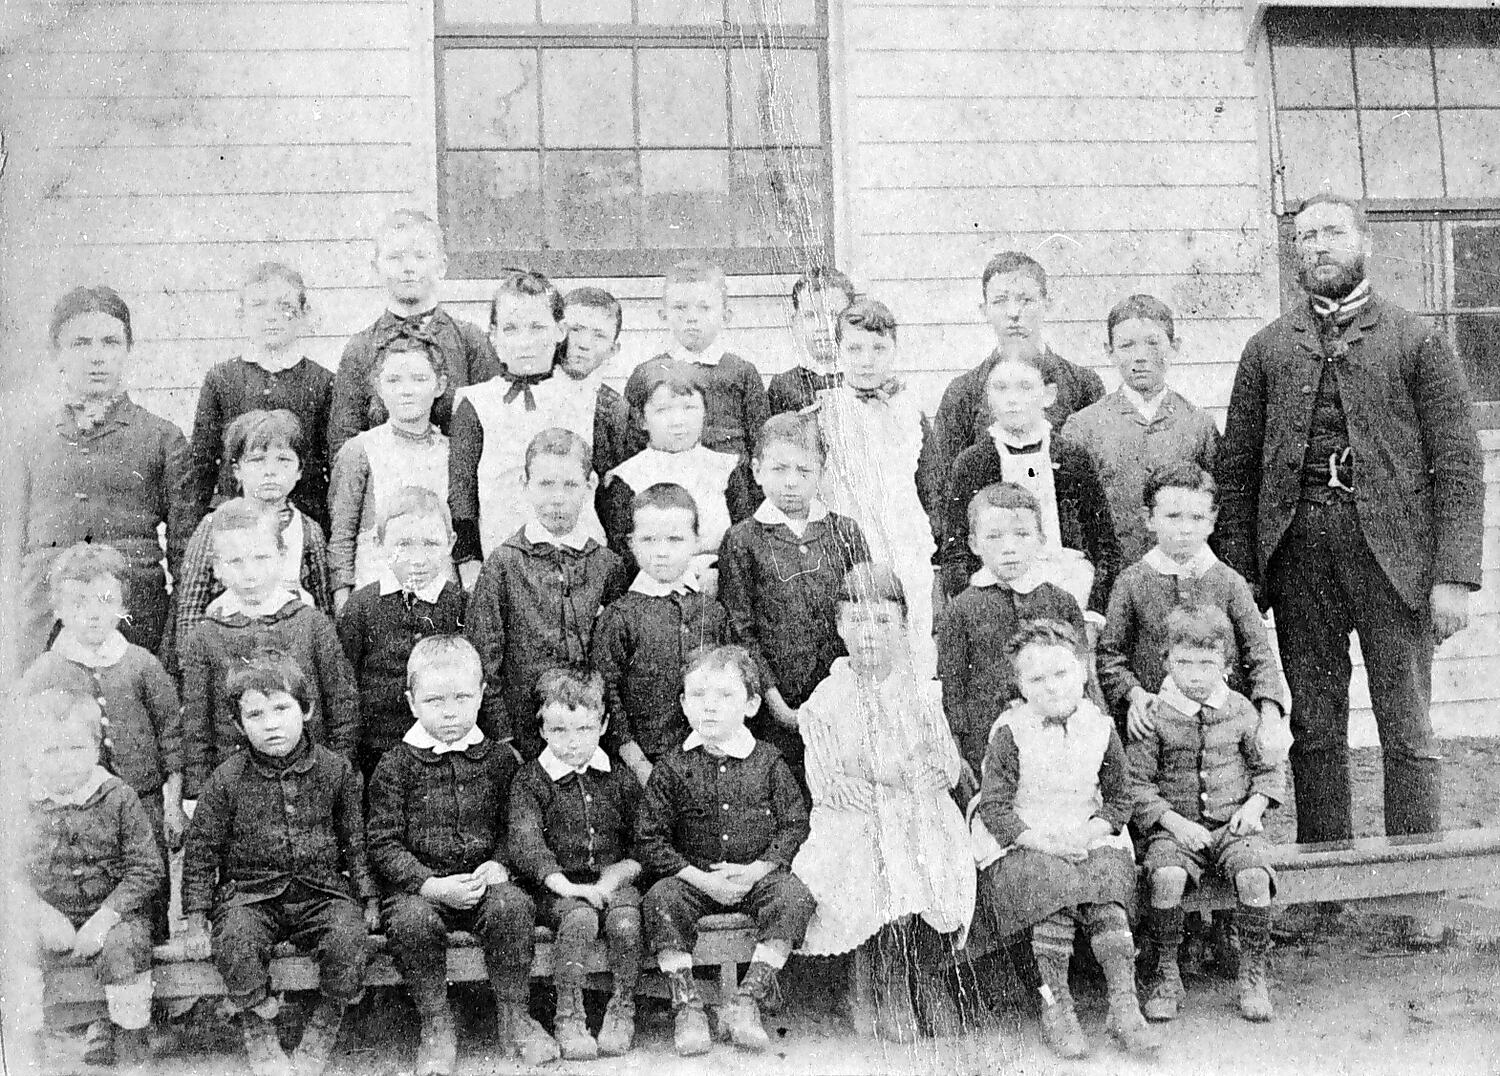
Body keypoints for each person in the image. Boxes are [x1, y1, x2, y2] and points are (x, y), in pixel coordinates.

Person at [1215, 193, 1484, 941]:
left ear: (1364, 241)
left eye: (1333, 232)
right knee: (1314, 727)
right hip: (1300, 556)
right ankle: (1321, 887)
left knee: (1408, 728)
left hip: (1395, 559)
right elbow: (1237, 472)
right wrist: (1241, 582)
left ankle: (1418, 893)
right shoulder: (1268, 348)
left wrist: (1453, 575)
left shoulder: (1416, 340)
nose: (1318, 247)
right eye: (1305, 238)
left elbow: (1459, 466)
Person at [793, 565, 973, 1041]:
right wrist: (879, 781)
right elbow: (831, 780)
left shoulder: (918, 691)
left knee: (931, 851)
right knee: (880, 854)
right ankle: (885, 981)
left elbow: (944, 758)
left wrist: (938, 768)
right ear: (839, 626)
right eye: (857, 621)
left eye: (882, 623)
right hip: (854, 817)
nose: (869, 635)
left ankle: (928, 976)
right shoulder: (828, 699)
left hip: (917, 809)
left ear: (901, 626)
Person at [180, 650, 378, 1076]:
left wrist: (368, 898)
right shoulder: (226, 779)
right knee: (233, 938)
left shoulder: (335, 770)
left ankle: (327, 1021)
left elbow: (354, 842)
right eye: (255, 714)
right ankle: (257, 1026)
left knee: (348, 935)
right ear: (238, 724)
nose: (271, 724)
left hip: (321, 893)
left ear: (306, 710)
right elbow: (201, 851)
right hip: (252, 896)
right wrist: (196, 917)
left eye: (282, 708)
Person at [367, 636, 558, 1074]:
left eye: (462, 697)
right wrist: (429, 884)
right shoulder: (395, 766)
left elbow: (518, 826)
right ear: (412, 703)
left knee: (512, 906)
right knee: (412, 922)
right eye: (435, 700)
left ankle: (514, 1016)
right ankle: (436, 1023)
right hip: (420, 887)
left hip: (483, 882)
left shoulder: (500, 760)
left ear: (482, 694)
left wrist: (501, 863)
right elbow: (383, 843)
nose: (450, 711)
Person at [972, 619, 1158, 1060]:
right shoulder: (1011, 732)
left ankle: (1124, 1006)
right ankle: (1056, 1006)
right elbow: (995, 808)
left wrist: (1091, 831)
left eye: (1061, 674)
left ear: (1081, 673)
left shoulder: (1099, 726)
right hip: (1026, 835)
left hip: (1084, 827)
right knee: (1048, 892)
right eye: (1037, 678)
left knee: (1107, 889)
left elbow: (1118, 799)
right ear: (1020, 685)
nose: (1052, 687)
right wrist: (1046, 842)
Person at [635, 645, 815, 1056]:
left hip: (755, 877)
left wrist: (757, 870)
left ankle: (747, 1001)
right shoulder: (671, 767)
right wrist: (700, 879)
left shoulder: (768, 762)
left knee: (794, 896)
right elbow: (650, 838)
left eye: (724, 696)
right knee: (661, 899)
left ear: (752, 705)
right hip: (695, 880)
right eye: (697, 696)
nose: (709, 708)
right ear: (682, 703)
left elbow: (795, 823)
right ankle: (688, 1007)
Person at [3, 285, 198, 663]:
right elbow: (9, 547)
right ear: (57, 354)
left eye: (110, 342)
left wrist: (175, 638)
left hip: (134, 620)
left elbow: (184, 555)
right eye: (80, 343)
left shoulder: (162, 437)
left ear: (128, 350)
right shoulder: (28, 441)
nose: (96, 357)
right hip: (45, 619)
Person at [1128, 606, 1285, 1024]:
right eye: (1183, 663)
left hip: (1234, 825)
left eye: (1207, 664)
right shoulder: (1154, 716)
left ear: (1227, 666)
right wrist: (1175, 823)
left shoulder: (1241, 710)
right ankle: (1167, 971)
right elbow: (1136, 785)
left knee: (1254, 876)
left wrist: (1254, 808)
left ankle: (1252, 974)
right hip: (1174, 830)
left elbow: (1269, 769)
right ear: (1166, 661)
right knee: (1166, 877)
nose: (1195, 675)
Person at [21, 543, 183, 941]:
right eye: (78, 603)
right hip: (72, 805)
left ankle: (153, 990)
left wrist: (173, 804)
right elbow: (20, 740)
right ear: (58, 609)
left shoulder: (142, 664)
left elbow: (172, 739)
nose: (93, 613)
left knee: (145, 902)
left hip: (141, 804)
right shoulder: (45, 670)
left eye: (105, 600)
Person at [718, 413, 871, 781]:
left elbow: (865, 610)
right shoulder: (743, 540)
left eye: (804, 471)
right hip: (777, 705)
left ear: (822, 470)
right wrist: (777, 703)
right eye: (779, 468)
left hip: (844, 698)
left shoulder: (844, 531)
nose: (791, 482)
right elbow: (742, 629)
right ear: (756, 470)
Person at [179, 499, 358, 799]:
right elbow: (197, 726)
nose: (250, 573)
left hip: (311, 786)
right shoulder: (205, 636)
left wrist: (341, 777)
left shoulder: (312, 624)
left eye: (261, 557)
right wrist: (198, 794)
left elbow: (343, 707)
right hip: (236, 792)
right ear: (217, 568)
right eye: (235, 562)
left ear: (282, 556)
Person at [1097, 463, 1289, 744]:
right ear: (1149, 518)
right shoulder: (1131, 582)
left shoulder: (1230, 582)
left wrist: (1270, 715)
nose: (1185, 529)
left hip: (1223, 728)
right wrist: (1134, 695)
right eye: (1173, 517)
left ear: (1212, 521)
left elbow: (1259, 654)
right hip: (1157, 726)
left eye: (1196, 518)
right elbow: (1111, 655)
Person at [466, 429, 628, 759]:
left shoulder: (608, 566)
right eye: (545, 484)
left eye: (570, 485)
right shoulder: (504, 563)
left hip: (590, 733)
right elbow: (485, 657)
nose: (557, 498)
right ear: (525, 483)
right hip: (524, 737)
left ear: (590, 485)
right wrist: (503, 738)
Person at [508, 667, 644, 1061]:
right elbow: (526, 841)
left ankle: (622, 1007)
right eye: (560, 730)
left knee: (625, 920)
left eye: (584, 729)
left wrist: (614, 876)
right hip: (559, 889)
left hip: (612, 882)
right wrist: (568, 887)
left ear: (602, 724)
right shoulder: (531, 781)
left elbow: (644, 842)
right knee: (580, 919)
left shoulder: (618, 779)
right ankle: (569, 1014)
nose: (572, 743)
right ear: (543, 729)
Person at [23, 690, 163, 1072]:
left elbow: (146, 868)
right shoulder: (22, 803)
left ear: (96, 749)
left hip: (116, 913)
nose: (65, 762)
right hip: (51, 915)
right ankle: (29, 1048)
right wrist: (39, 913)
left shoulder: (119, 797)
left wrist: (104, 919)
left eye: (75, 748)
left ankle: (131, 1041)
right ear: (29, 752)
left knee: (124, 949)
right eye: (50, 751)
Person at [938, 338, 1120, 622]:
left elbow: (1104, 544)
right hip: (996, 594)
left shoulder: (1072, 458)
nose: (1012, 399)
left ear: (1048, 395)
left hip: (1069, 589)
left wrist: (1095, 610)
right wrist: (974, 606)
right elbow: (956, 551)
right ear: (987, 395)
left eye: (1025, 387)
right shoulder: (972, 463)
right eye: (1001, 388)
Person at [813, 299, 942, 669]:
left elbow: (923, 482)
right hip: (853, 535)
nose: (866, 360)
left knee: (911, 629)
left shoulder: (908, 410)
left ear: (894, 351)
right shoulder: (827, 412)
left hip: (903, 535)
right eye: (854, 349)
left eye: (878, 349)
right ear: (838, 352)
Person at [450, 270, 606, 573]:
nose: (525, 342)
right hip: (505, 560)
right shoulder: (476, 403)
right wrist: (470, 565)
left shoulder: (587, 398)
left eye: (537, 327)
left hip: (579, 559)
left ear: (560, 331)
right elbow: (462, 493)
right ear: (493, 336)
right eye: (511, 329)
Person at [928, 251, 1105, 506]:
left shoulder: (1083, 385)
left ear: (1048, 304)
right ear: (984, 310)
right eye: (1000, 301)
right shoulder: (963, 392)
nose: (1014, 313)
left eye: (1026, 300)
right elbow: (945, 487)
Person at [936, 483, 1087, 779]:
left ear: (1041, 539)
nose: (1009, 548)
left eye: (1021, 535)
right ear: (974, 543)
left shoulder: (1061, 602)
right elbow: (952, 687)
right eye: (994, 537)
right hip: (988, 743)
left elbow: (1083, 675)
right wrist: (957, 748)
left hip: (1058, 739)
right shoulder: (961, 609)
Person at [327, 208, 499, 459]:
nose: (408, 268)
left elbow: (492, 429)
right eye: (395, 258)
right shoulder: (361, 348)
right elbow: (343, 443)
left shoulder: (469, 340)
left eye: (420, 256)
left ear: (441, 266)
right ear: (377, 267)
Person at [1061, 294, 1221, 565]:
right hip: (1111, 577)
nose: (1141, 357)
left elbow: (1217, 509)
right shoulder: (1084, 427)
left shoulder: (1199, 425)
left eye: (1153, 343)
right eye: (1126, 345)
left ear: (1174, 347)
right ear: (1109, 351)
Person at [592, 483, 730, 785]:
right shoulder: (621, 615)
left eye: (675, 539)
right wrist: (638, 763)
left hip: (708, 760)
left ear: (696, 541)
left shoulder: (711, 610)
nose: (662, 552)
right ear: (631, 543)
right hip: (644, 766)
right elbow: (608, 693)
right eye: (649, 540)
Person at [172, 410, 334, 657]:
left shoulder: (308, 530)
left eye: (283, 460)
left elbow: (323, 609)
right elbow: (191, 610)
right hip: (229, 651)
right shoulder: (214, 525)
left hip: (292, 653)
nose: (270, 471)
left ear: (299, 470)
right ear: (237, 470)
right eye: (257, 460)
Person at [190, 262, 333, 532]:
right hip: (235, 523)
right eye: (258, 306)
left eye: (284, 306)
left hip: (301, 521)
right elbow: (201, 466)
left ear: (304, 313)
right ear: (241, 314)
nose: (271, 317)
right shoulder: (221, 379)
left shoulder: (323, 382)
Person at [336, 487, 467, 780]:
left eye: (431, 544)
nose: (417, 559)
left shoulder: (460, 604)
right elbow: (344, 687)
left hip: (444, 749)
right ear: (379, 543)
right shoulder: (361, 607)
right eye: (403, 544)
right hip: (378, 751)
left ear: (451, 543)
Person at [600, 363, 754, 585]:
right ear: (642, 419)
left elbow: (743, 541)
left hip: (719, 581)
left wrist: (719, 572)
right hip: (652, 586)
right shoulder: (626, 477)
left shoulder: (726, 468)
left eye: (689, 408)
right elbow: (624, 555)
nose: (678, 421)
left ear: (705, 413)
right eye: (663, 410)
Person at [328, 336, 451, 604]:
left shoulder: (450, 451)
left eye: (418, 379)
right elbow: (343, 534)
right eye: (394, 381)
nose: (406, 390)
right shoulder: (361, 449)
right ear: (379, 387)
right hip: (376, 585)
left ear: (439, 385)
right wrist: (343, 601)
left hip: (438, 587)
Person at [623, 259, 769, 462]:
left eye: (704, 307)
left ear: (725, 316)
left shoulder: (741, 372)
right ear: (663, 315)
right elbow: (632, 445)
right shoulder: (647, 374)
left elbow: (760, 443)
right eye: (680, 307)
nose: (692, 317)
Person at [561, 286, 633, 495]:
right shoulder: (527, 393)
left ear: (613, 349)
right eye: (575, 329)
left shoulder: (614, 410)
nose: (584, 344)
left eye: (599, 336)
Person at [767, 267, 858, 415]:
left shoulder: (865, 377)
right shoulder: (783, 386)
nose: (822, 327)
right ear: (795, 322)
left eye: (833, 315)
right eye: (810, 316)